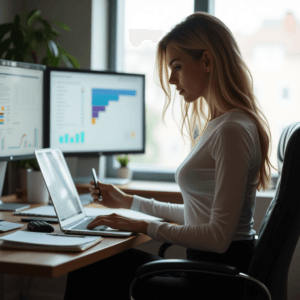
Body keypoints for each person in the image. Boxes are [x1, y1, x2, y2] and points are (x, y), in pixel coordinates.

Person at [64, 11, 278, 300]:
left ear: (206, 61)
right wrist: (129, 202)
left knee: (88, 270)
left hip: (214, 284)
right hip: (205, 271)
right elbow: (198, 215)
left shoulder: (233, 130)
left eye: (176, 66)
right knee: (93, 264)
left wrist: (144, 225)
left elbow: (217, 236)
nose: (171, 79)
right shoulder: (222, 124)